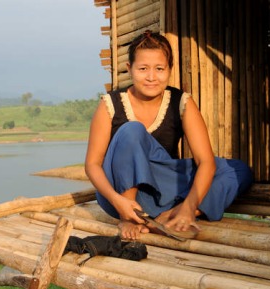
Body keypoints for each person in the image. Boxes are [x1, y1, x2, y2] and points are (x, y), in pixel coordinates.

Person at [85, 30, 253, 240]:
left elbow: (206, 161)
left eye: (159, 69)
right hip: (118, 195)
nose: (152, 77)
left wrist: (190, 206)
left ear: (170, 69)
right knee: (132, 130)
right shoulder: (110, 104)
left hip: (162, 190)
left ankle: (173, 214)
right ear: (130, 69)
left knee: (238, 170)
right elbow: (92, 164)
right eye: (143, 69)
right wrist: (118, 202)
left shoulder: (181, 102)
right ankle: (131, 217)